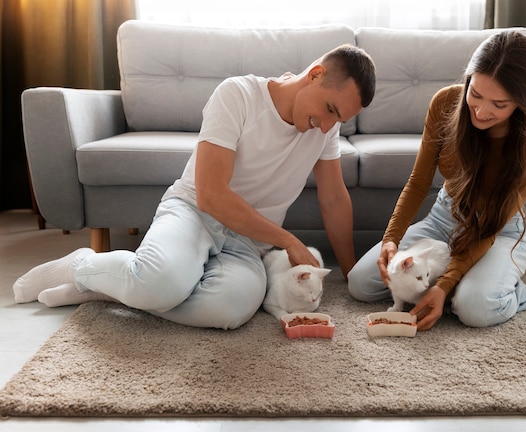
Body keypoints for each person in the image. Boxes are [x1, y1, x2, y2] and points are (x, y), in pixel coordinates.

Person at [13, 44, 376, 329]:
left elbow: (333, 198)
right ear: (315, 75)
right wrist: (289, 241)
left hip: (247, 242)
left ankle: (119, 290)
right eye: (330, 109)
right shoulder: (238, 95)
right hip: (193, 213)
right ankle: (84, 267)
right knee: (160, 282)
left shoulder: (325, 129)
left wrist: (349, 273)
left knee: (231, 309)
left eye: (339, 119)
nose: (328, 126)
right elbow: (211, 195)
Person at [348, 31, 526, 331]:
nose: (481, 112)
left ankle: (501, 289)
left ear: (523, 103)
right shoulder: (445, 102)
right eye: (476, 94)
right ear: (469, 79)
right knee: (361, 284)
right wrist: (391, 239)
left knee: (475, 310)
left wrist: (443, 286)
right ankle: (466, 281)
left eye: (499, 104)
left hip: (498, 229)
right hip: (444, 218)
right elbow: (419, 183)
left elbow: (493, 224)